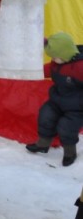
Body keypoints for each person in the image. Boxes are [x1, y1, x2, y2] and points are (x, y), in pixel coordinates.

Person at [25, 32, 83, 167]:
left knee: (66, 127)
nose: (53, 59)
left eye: (55, 57)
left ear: (65, 53)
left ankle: (70, 152)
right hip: (58, 100)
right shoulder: (57, 62)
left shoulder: (79, 67)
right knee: (46, 115)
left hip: (77, 106)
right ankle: (43, 144)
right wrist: (33, 71)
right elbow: (47, 70)